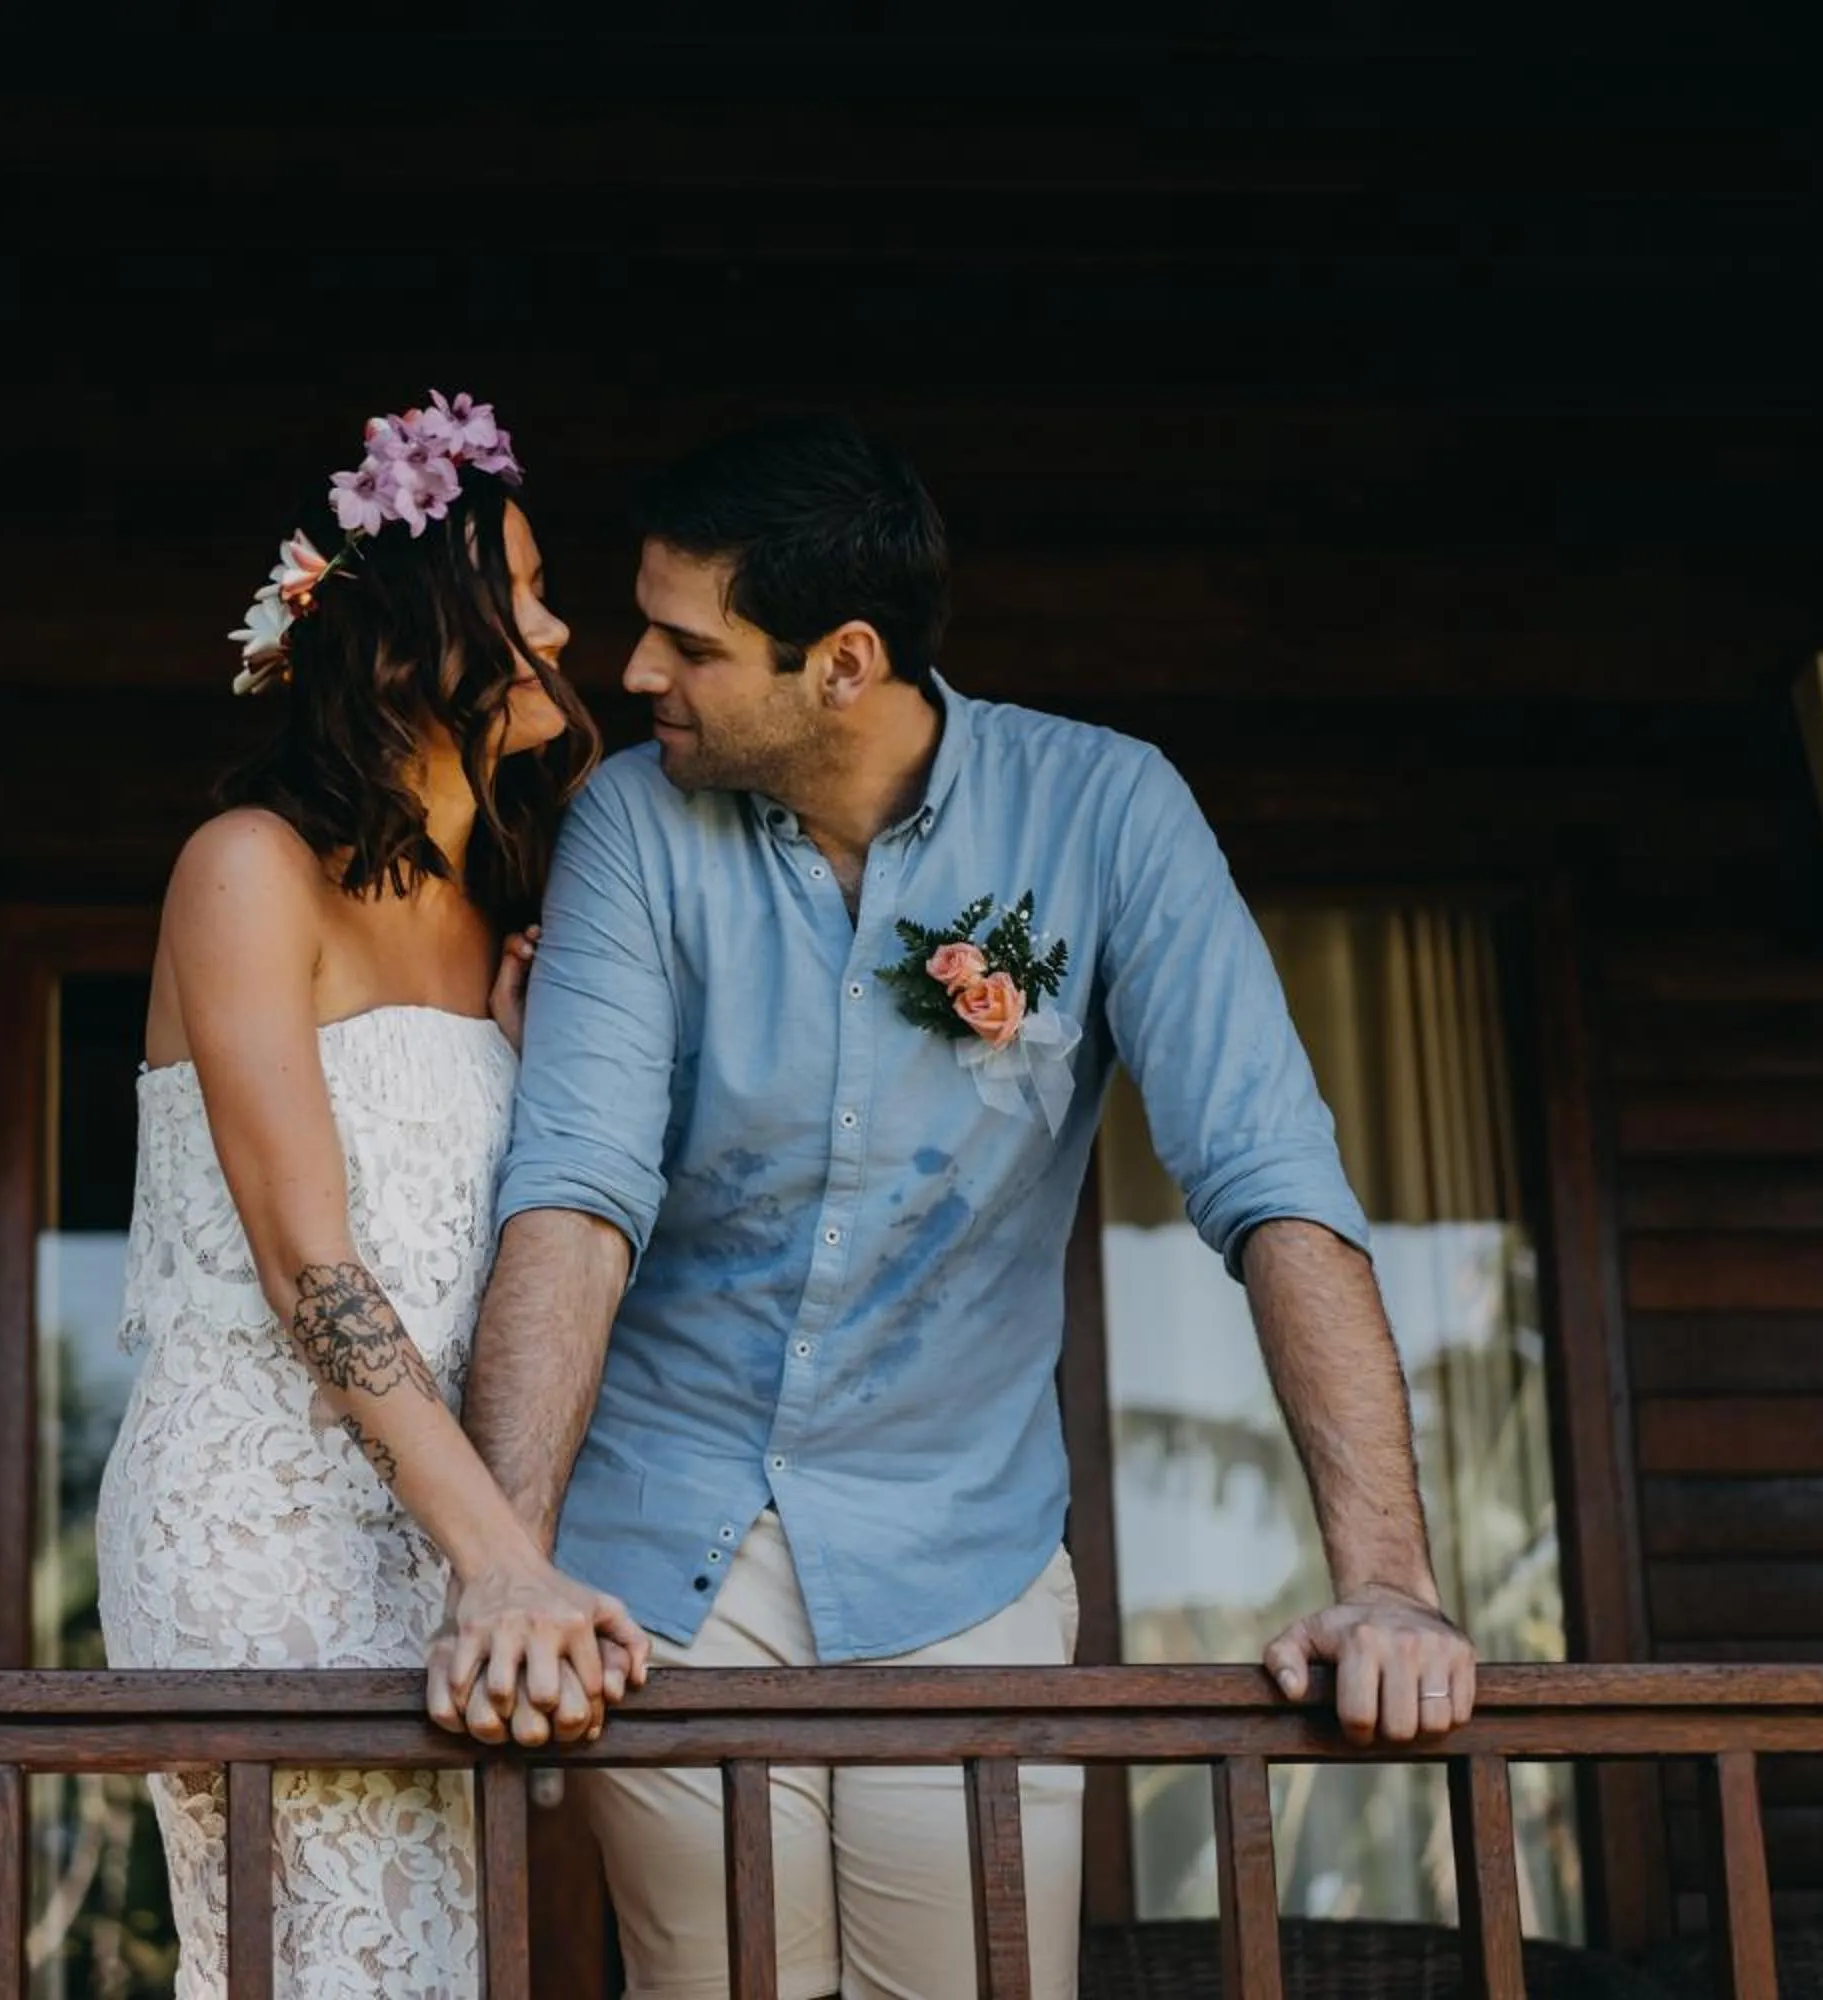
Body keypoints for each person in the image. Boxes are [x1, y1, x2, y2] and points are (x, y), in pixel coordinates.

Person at [429, 413, 1479, 2000]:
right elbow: (576, 1194)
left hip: (962, 1552)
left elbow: (1272, 1183)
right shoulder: (631, 824)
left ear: (843, 663)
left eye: (689, 646)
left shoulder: (1109, 812)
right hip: (666, 1547)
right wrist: (506, 1569)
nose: (635, 673)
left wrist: (1389, 1580)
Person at [95, 392, 648, 1997]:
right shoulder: (247, 870)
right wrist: (502, 1562)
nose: (560, 629)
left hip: (449, 1533)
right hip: (264, 1518)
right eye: (526, 589)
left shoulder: (505, 917)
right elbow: (310, 1268)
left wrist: (531, 1072)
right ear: (418, 632)